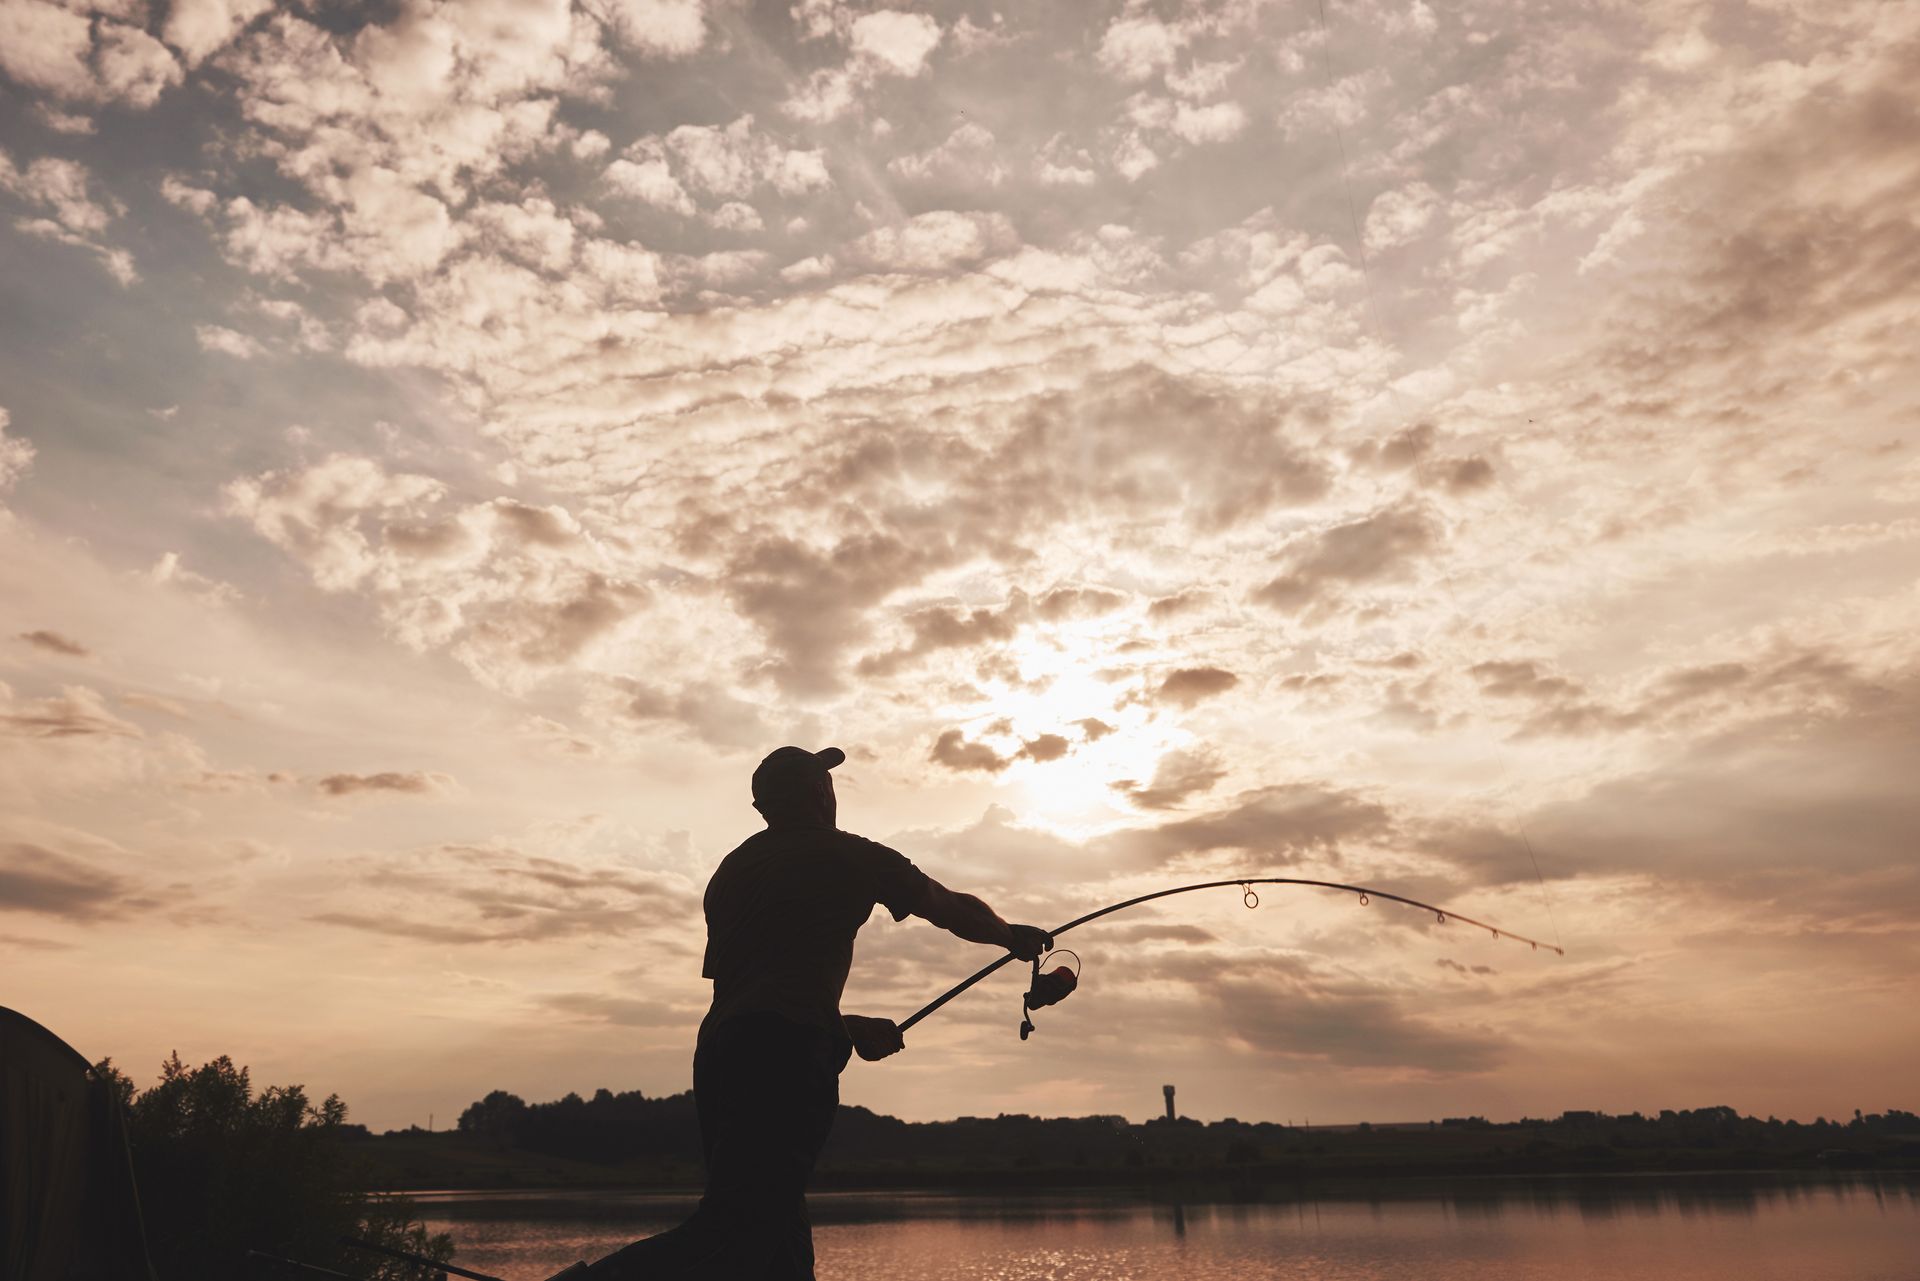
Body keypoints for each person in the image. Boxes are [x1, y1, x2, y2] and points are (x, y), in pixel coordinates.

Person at [581, 745, 1052, 1279]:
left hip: (721, 1053)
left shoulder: (732, 870)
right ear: (818, 792)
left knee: (780, 1236)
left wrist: (841, 1028)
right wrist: (1011, 937)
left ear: (764, 809)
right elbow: (947, 907)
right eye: (826, 781)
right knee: (733, 1230)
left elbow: (754, 991)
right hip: (786, 1053)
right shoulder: (851, 855)